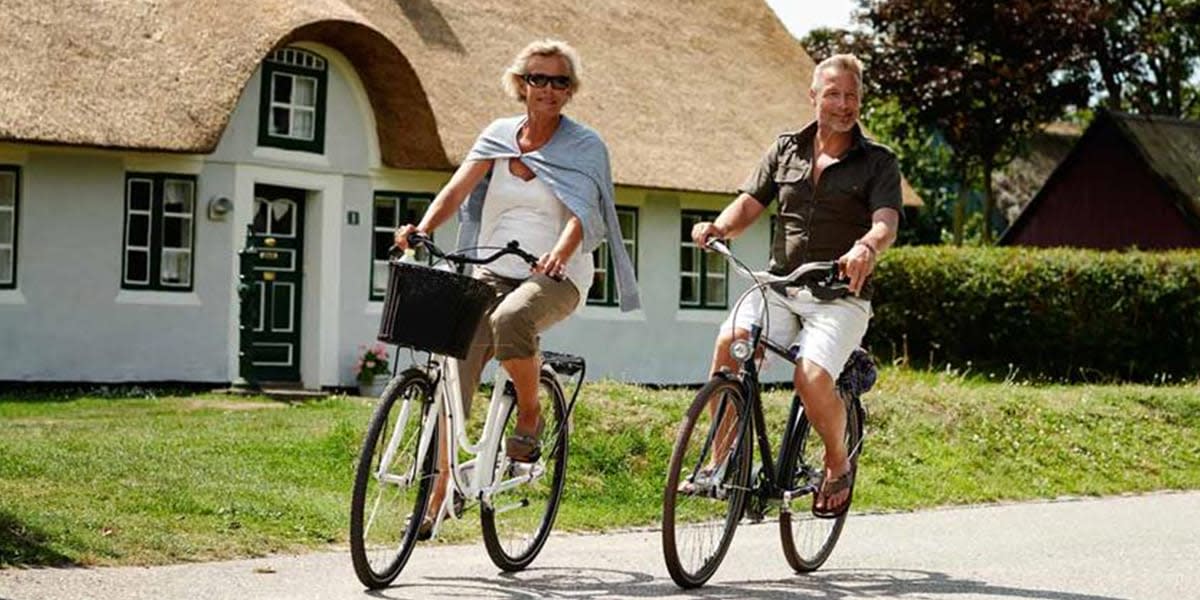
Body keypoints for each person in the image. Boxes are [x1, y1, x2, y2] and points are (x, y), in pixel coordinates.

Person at [394, 39, 639, 535]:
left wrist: (561, 254)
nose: (547, 89)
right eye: (538, 78)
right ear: (520, 84)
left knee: (511, 318)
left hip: (556, 275)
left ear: (570, 91)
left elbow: (581, 216)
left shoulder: (584, 146)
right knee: (452, 368)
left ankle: (530, 414)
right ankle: (439, 493)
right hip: (490, 266)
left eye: (559, 81)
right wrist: (421, 228)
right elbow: (457, 189)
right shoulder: (498, 135)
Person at [690, 54, 900, 519]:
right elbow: (749, 204)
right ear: (813, 97)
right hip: (781, 285)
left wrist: (867, 246)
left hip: (840, 297)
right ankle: (722, 463)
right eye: (833, 94)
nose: (843, 104)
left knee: (809, 376)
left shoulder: (878, 162)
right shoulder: (785, 149)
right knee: (730, 341)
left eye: (851, 95)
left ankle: (836, 461)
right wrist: (718, 227)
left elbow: (886, 221)